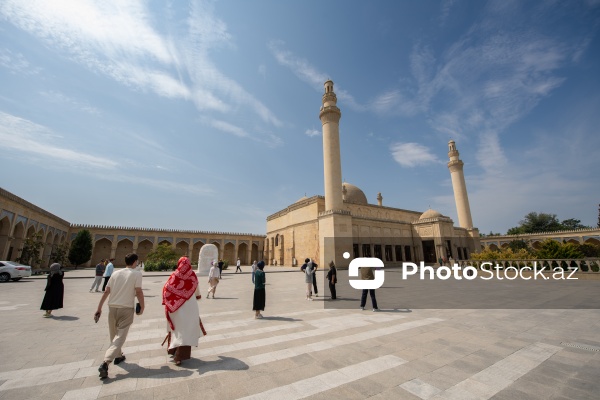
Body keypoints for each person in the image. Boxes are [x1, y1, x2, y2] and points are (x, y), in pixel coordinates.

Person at [95, 253, 144, 379]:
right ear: (134, 262)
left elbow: (107, 291)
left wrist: (99, 308)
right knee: (120, 336)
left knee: (113, 334)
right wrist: (142, 306)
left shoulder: (116, 273)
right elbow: (138, 291)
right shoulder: (136, 273)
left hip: (112, 308)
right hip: (126, 309)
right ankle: (106, 362)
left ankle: (118, 355)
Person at [162, 257, 204, 366]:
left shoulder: (174, 276)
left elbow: (165, 289)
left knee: (176, 328)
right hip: (190, 307)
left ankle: (172, 350)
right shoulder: (192, 276)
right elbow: (197, 292)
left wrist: (172, 302)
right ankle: (179, 356)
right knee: (186, 330)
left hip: (175, 308)